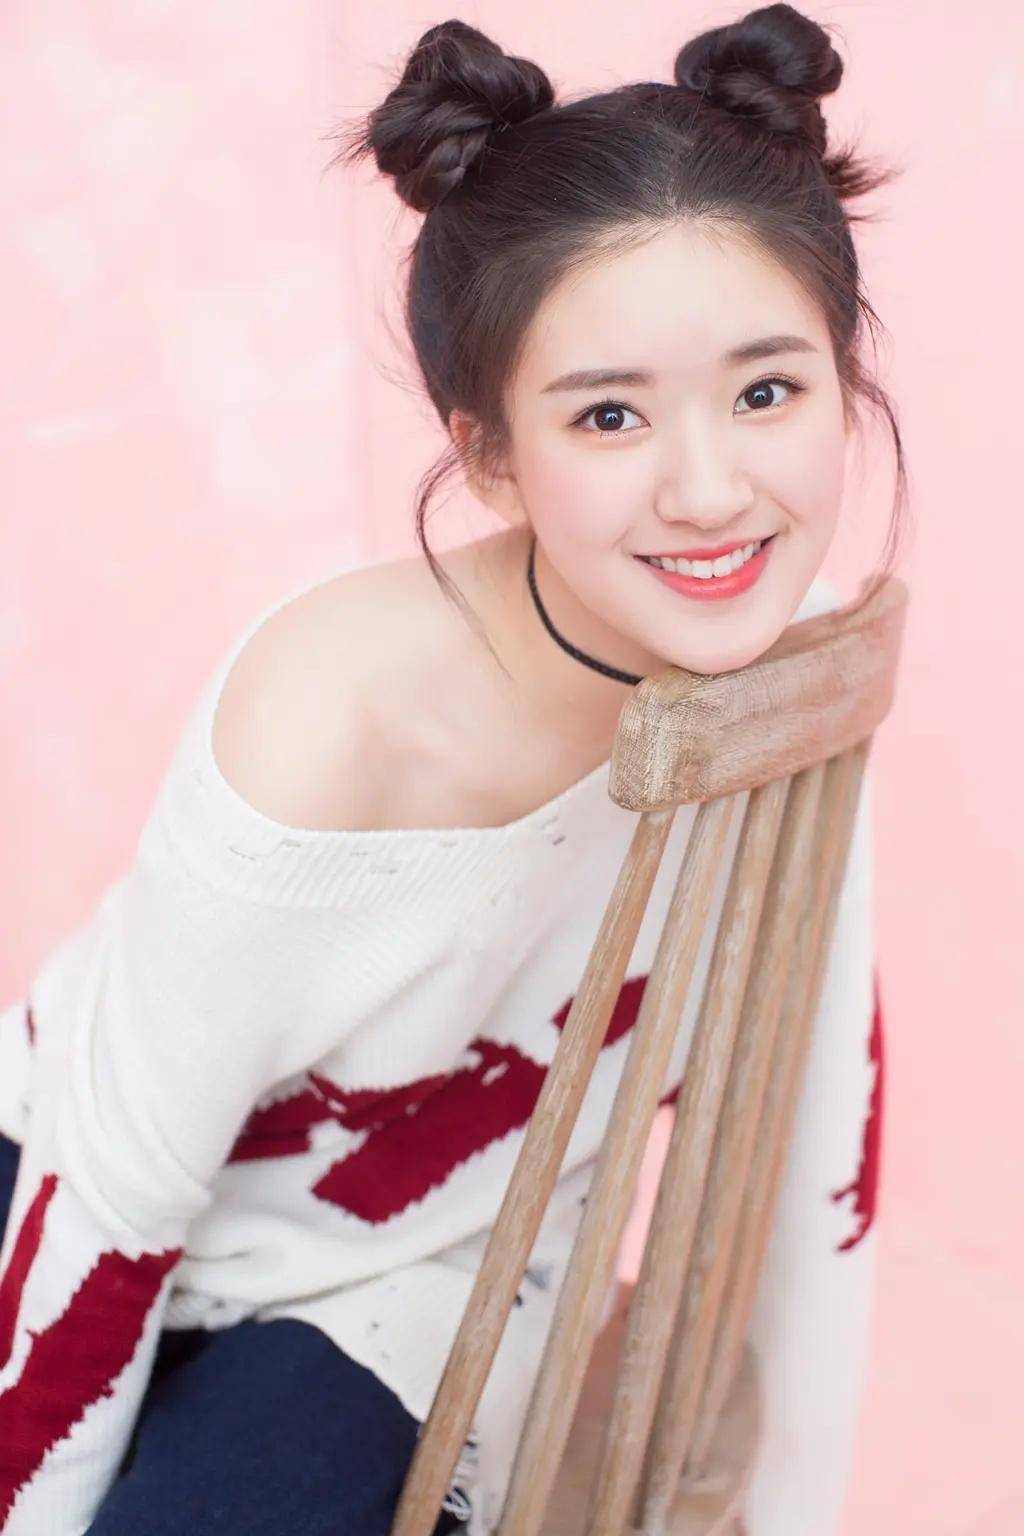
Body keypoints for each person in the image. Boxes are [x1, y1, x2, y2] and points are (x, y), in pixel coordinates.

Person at [0, 5, 903, 1533]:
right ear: (489, 457)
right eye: (608, 415)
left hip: (423, 1273)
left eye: (767, 391)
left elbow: (818, 1152)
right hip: (75, 1190)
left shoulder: (793, 666)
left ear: (841, 374)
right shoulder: (325, 724)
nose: (709, 491)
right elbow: (107, 1194)